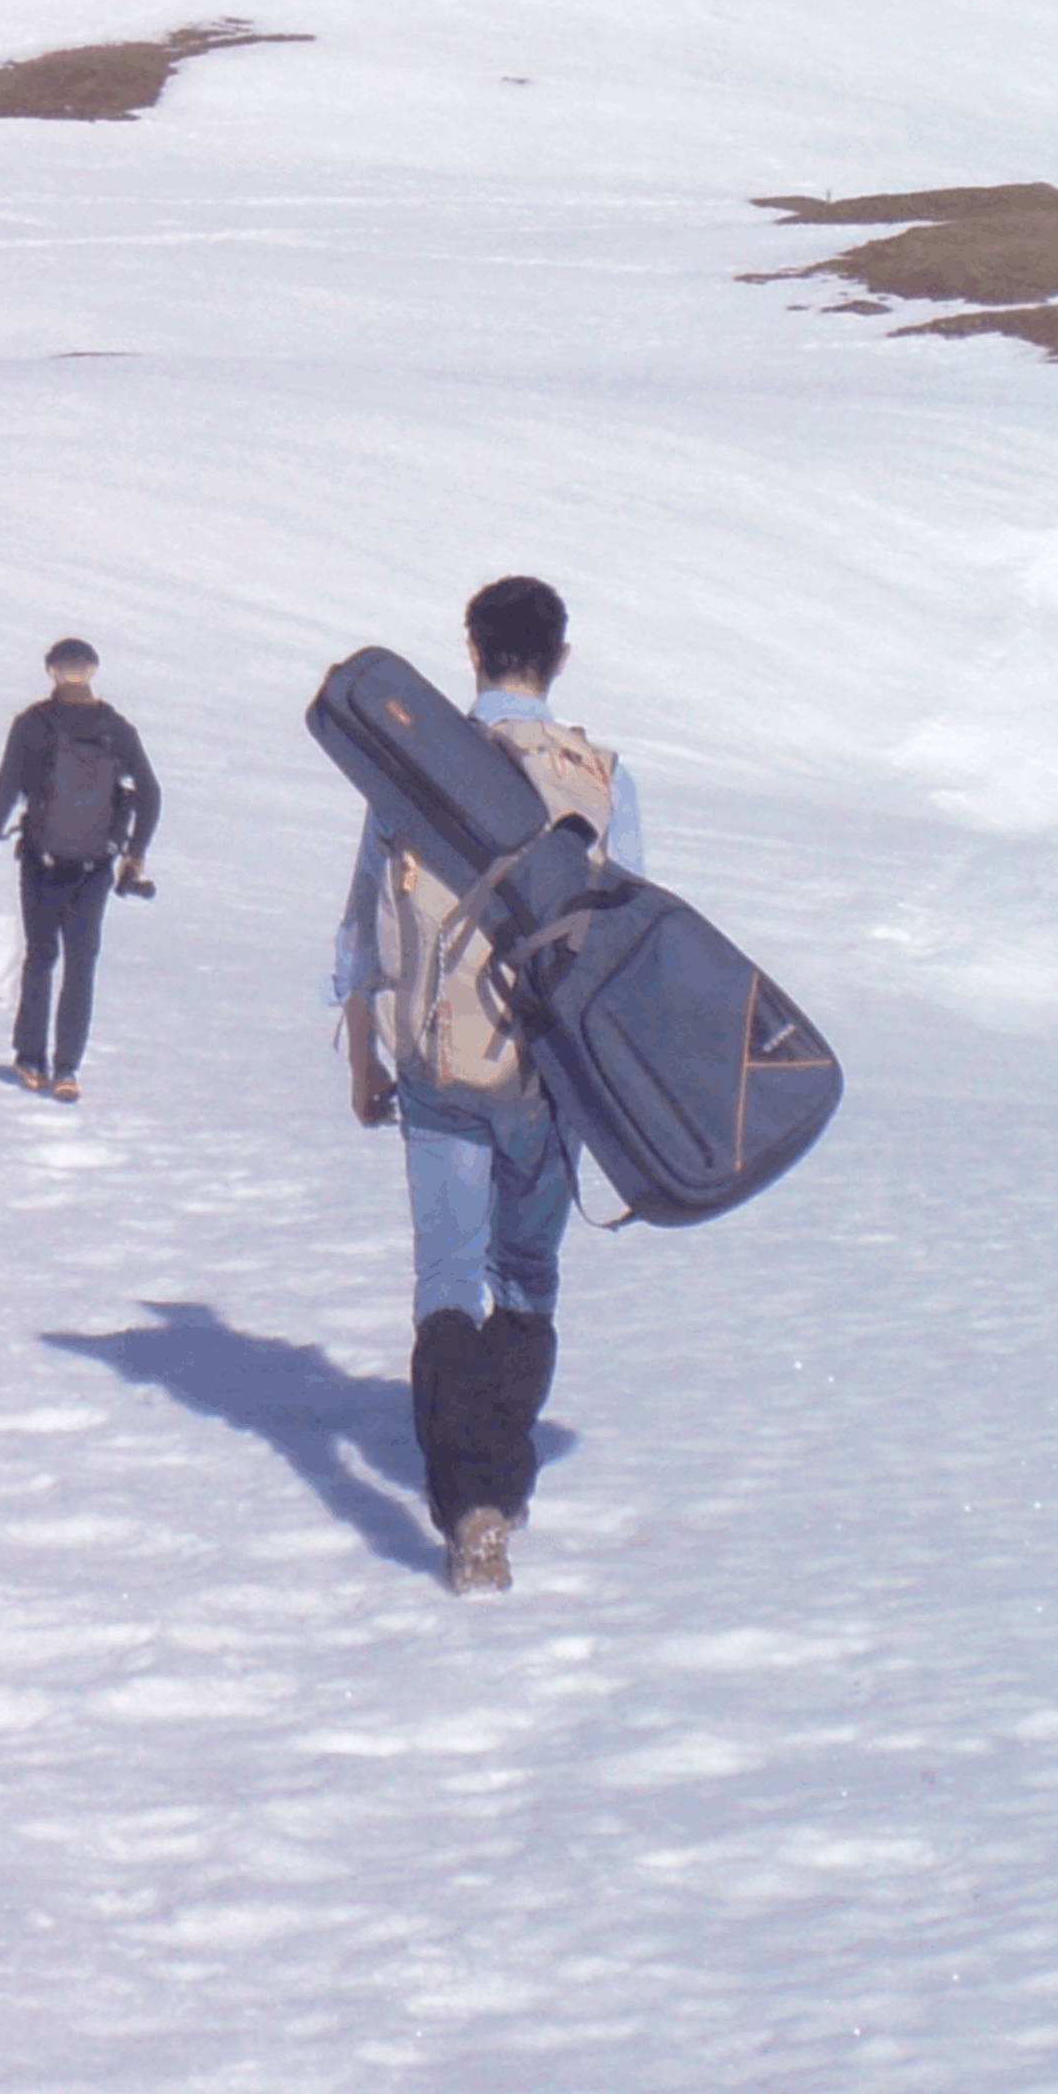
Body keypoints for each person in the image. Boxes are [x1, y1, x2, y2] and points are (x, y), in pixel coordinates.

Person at [330, 575, 643, 1596]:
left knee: (446, 1284)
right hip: (553, 1074)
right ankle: (496, 1489)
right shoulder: (598, 778)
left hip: (437, 1058)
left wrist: (362, 1053)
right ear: (556, 659)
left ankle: (470, 1506)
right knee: (527, 1281)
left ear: (470, 651)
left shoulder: (414, 762)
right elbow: (622, 940)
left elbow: (362, 920)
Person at [0, 638, 160, 1100]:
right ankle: (67, 1069)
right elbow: (151, 793)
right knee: (81, 965)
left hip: (40, 859)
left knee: (41, 956)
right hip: (95, 866)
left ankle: (30, 1058)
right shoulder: (115, 727)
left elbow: (4, 792)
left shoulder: (33, 724)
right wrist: (134, 854)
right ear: (92, 671)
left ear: (51, 672)